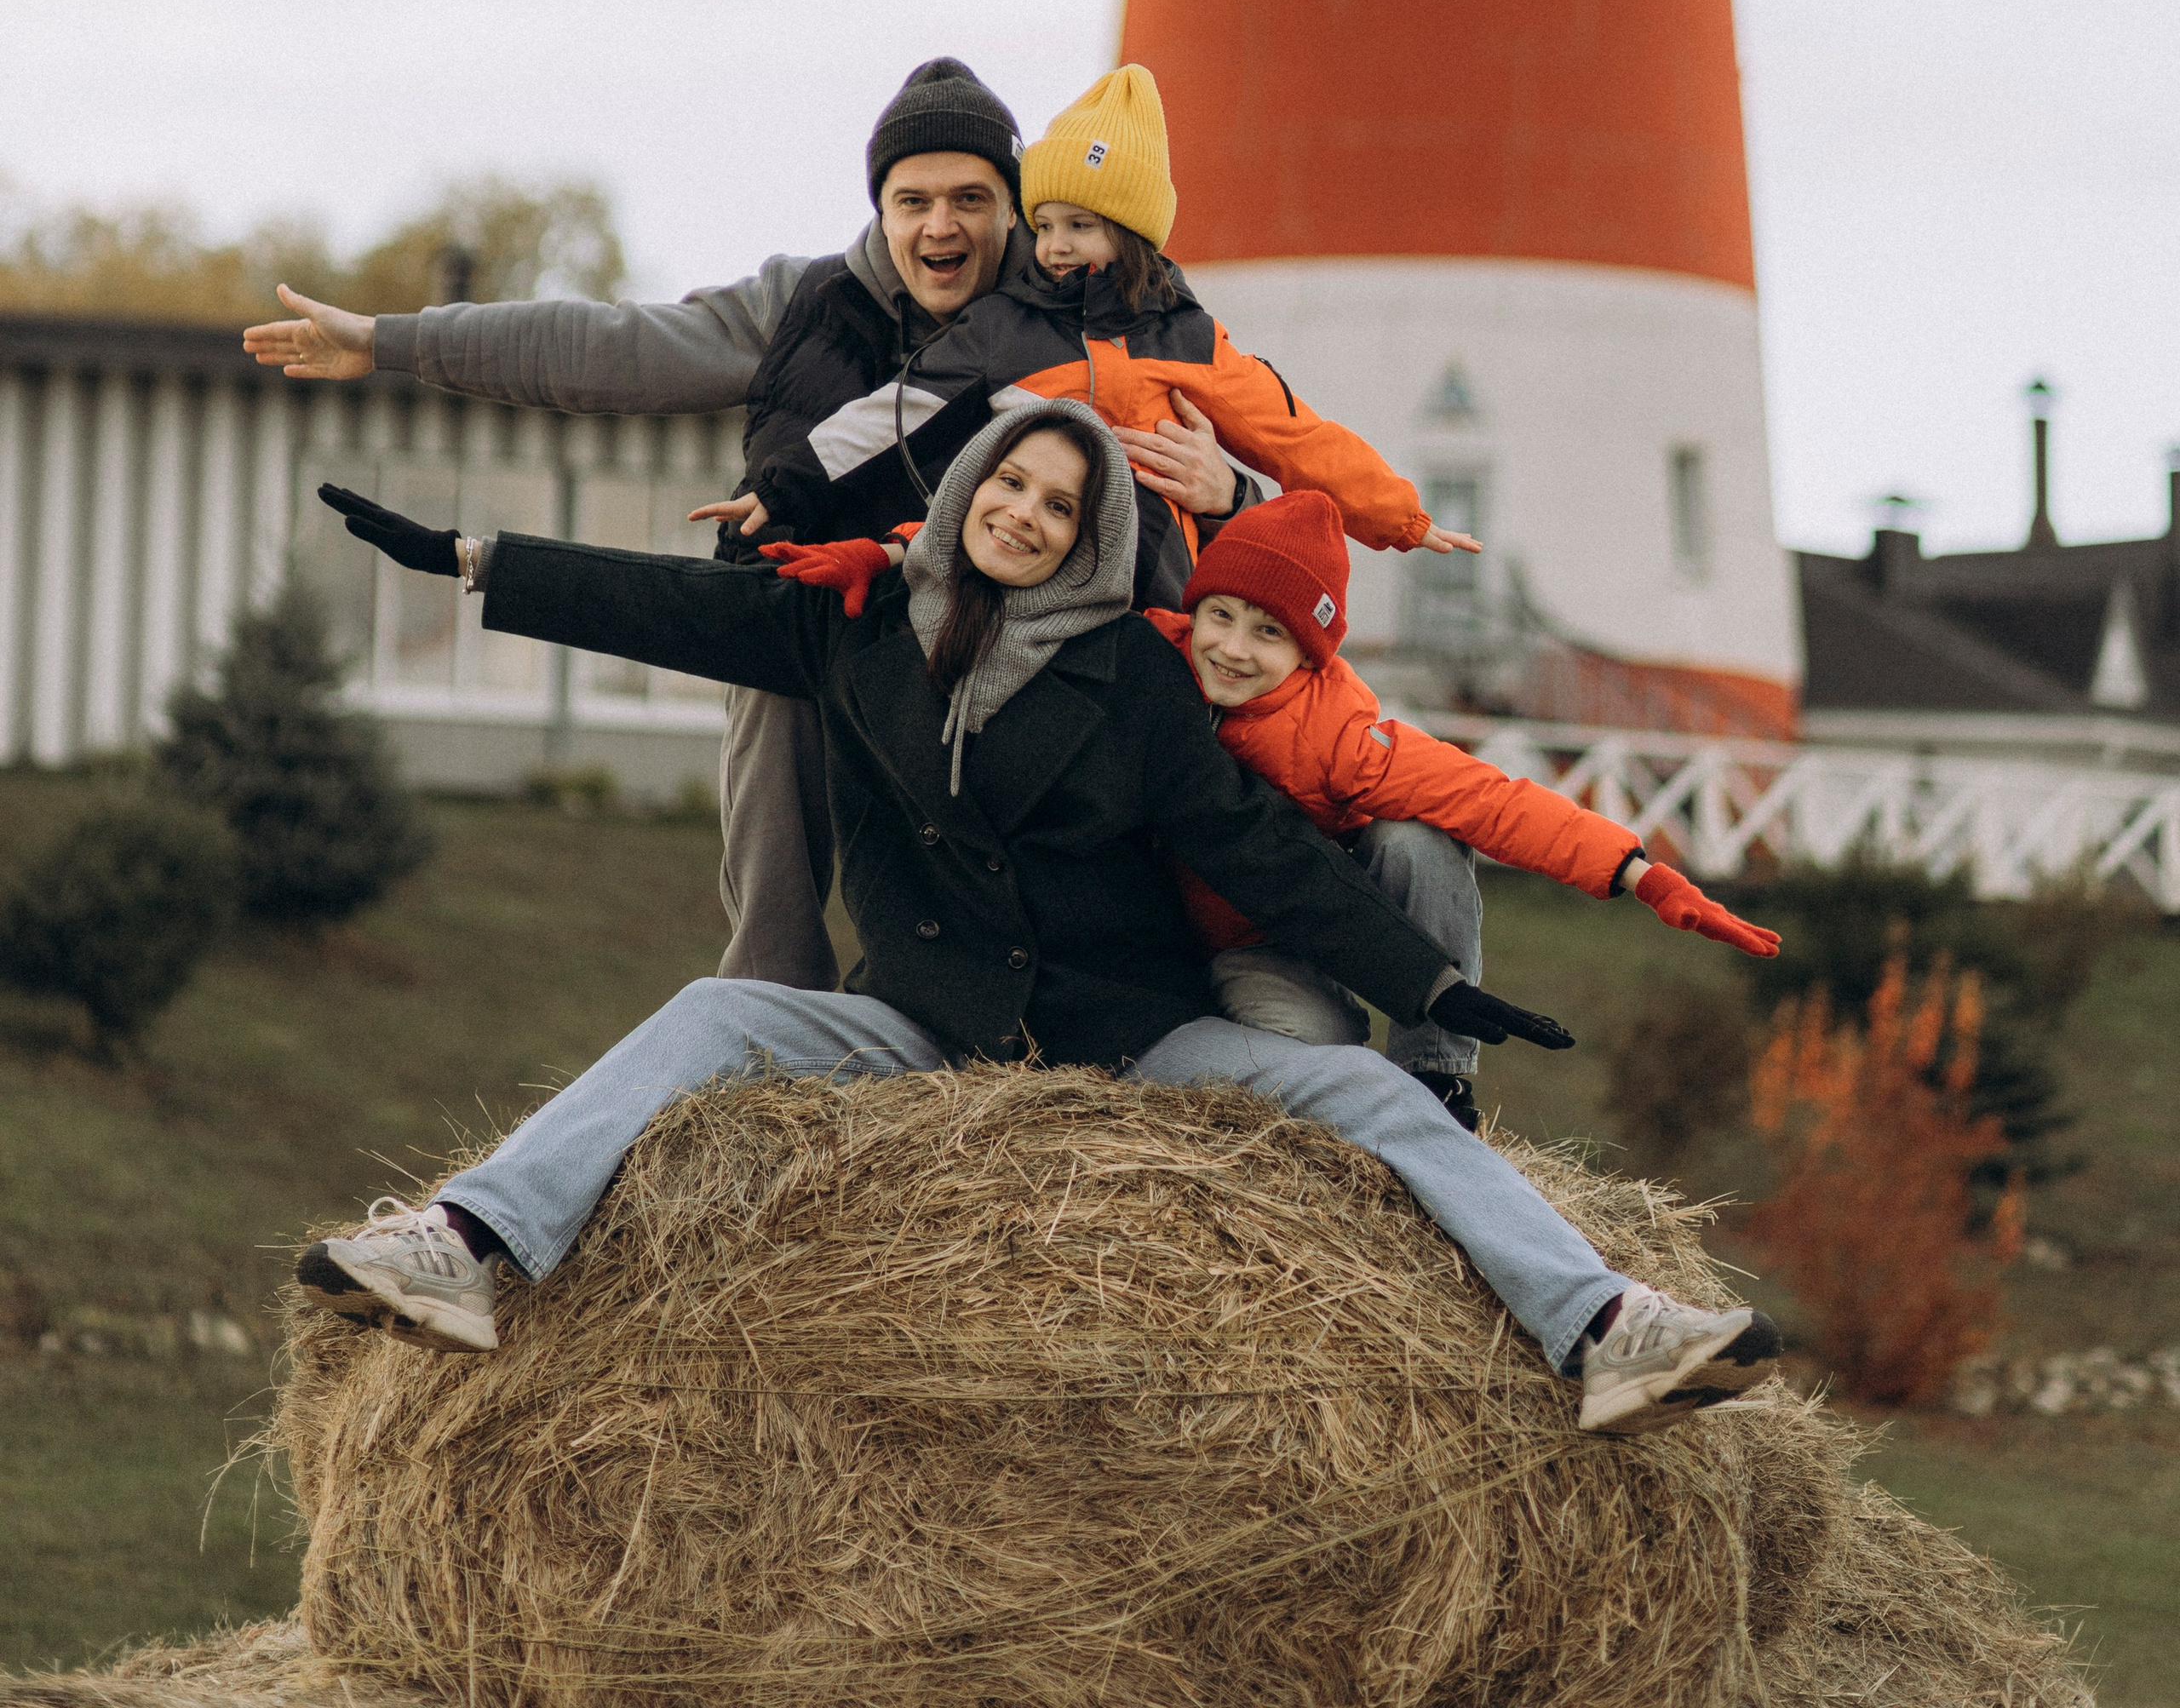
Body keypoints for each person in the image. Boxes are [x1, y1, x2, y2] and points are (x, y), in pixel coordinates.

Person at [299, 405, 1783, 1438]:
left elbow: (1256, 848)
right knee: (713, 1015)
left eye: (1060, 506)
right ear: (968, 492)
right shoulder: (853, 622)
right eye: (1010, 485)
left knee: (1369, 1097)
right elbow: (674, 604)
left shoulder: (1134, 676)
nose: (1024, 514)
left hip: (1128, 1031)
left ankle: (1604, 1329)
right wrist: (474, 561)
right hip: (921, 1018)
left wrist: (1433, 988)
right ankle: (466, 1243)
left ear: (1092, 535)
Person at [242, 56, 1244, 990]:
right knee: (778, 671)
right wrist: (392, 342)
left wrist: (1229, 493)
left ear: (1012, 207)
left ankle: (1120, 984)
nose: (941, 226)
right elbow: (607, 347)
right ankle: (769, 991)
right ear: (882, 209)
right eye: (914, 200)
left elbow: (1262, 447)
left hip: (1009, 641)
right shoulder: (806, 304)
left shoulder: (1092, 305)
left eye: (970, 199)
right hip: (827, 621)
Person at [749, 65, 1479, 617]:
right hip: (1021, 588)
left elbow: (1296, 438)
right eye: (1046, 224)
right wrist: (784, 483)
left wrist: (1402, 518)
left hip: (1156, 602)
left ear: (1130, 234)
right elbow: (894, 412)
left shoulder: (1189, 337)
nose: (1057, 246)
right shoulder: (1003, 327)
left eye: (1082, 226)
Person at [1144, 489, 1780, 1100]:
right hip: (1183, 921)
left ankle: (1435, 1075)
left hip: (1285, 927)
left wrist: (1642, 875)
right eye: (1220, 615)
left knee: (1415, 846)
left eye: (1268, 632)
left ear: (1309, 654)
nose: (1232, 648)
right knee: (1297, 1051)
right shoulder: (1147, 659)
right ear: (1194, 608)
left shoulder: (1336, 735)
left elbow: (1487, 798)